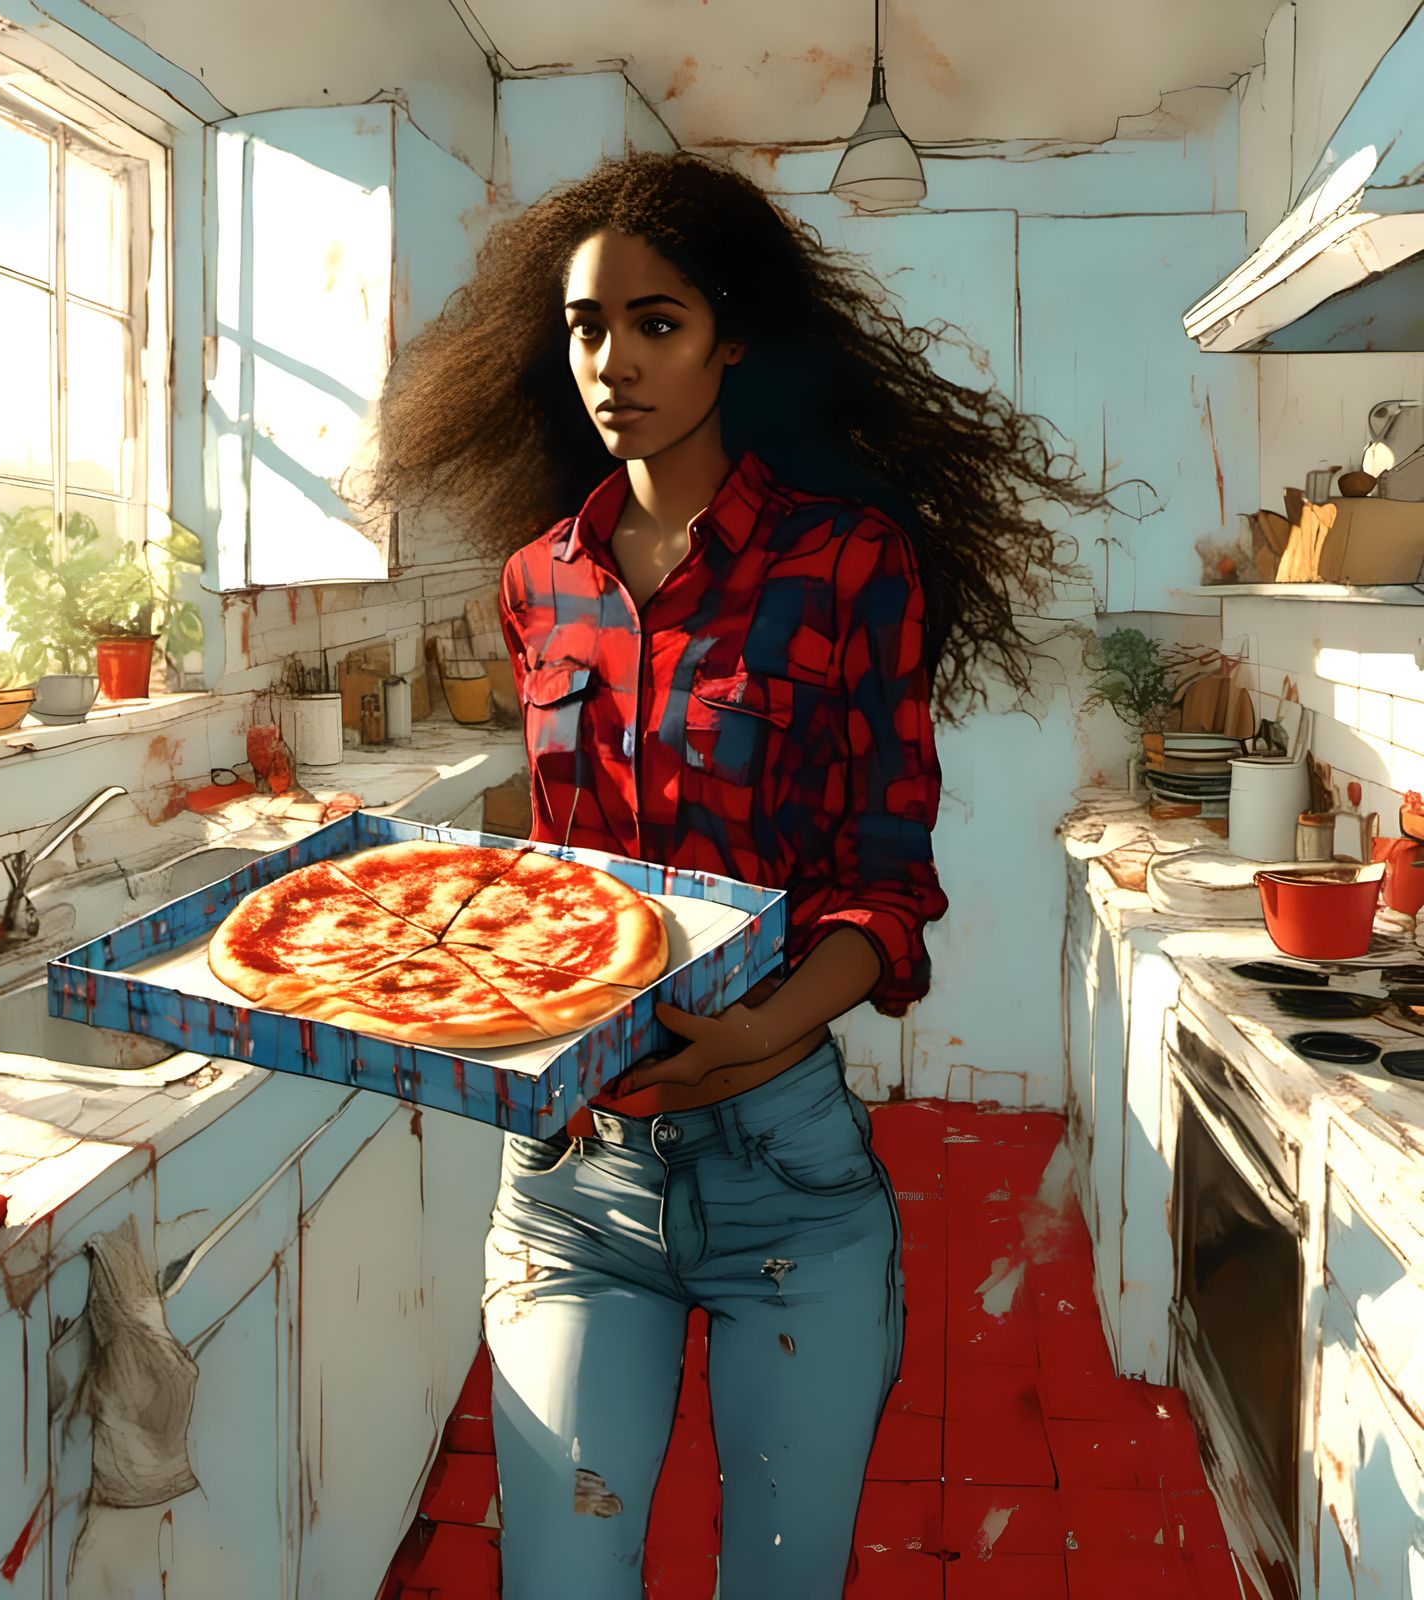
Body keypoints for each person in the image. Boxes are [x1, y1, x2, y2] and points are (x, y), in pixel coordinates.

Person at [371, 151, 1095, 1598]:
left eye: (657, 322)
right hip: (572, 1179)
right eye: (585, 326)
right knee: (561, 1581)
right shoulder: (537, 582)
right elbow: (568, 875)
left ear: (734, 334)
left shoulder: (847, 563)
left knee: (780, 1579)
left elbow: (886, 877)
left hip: (784, 1178)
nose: (612, 362)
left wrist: (766, 1029)